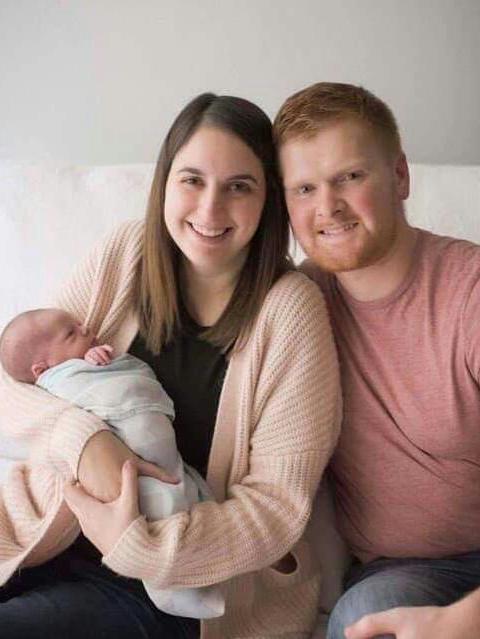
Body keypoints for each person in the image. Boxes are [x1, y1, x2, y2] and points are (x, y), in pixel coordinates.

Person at [0, 93, 340, 639]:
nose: (210, 210)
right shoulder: (127, 253)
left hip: (173, 586)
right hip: (41, 532)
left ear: (269, 199)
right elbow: (14, 380)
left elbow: (277, 509)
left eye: (239, 186)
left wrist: (139, 544)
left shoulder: (291, 313)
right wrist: (87, 444)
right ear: (164, 183)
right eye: (192, 180)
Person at [274, 81, 480, 639]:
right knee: (367, 621)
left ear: (400, 176)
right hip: (404, 575)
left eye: (350, 177)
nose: (328, 207)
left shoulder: (469, 293)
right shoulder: (296, 307)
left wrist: (460, 623)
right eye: (305, 188)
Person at [0, 306, 225, 618]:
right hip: (46, 527)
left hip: (128, 563)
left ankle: (179, 586)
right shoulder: (58, 373)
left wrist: (95, 362)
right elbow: (10, 392)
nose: (86, 327)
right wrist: (88, 441)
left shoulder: (284, 311)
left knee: (168, 499)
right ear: (42, 370)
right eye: (71, 333)